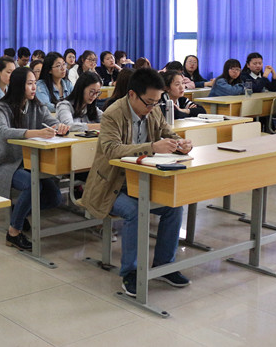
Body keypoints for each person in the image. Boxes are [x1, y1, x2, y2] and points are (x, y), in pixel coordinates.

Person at [79, 68, 192, 297]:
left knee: (173, 206)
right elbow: (111, 150)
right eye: (149, 102)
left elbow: (167, 132)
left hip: (141, 181)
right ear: (132, 94)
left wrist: (181, 143)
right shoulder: (113, 114)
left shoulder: (153, 109)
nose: (152, 107)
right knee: (135, 210)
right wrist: (151, 147)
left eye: (156, 102)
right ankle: (130, 273)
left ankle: (164, 265)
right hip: (111, 185)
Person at [0, 67, 70, 251]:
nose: (34, 88)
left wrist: (61, 127)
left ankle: (18, 211)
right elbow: (2, 131)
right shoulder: (2, 107)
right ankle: (13, 233)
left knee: (55, 197)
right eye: (29, 84)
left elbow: (51, 122)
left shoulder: (36, 105)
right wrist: (35, 133)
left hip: (30, 162)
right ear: (19, 85)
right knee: (33, 185)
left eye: (35, 83)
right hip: (7, 164)